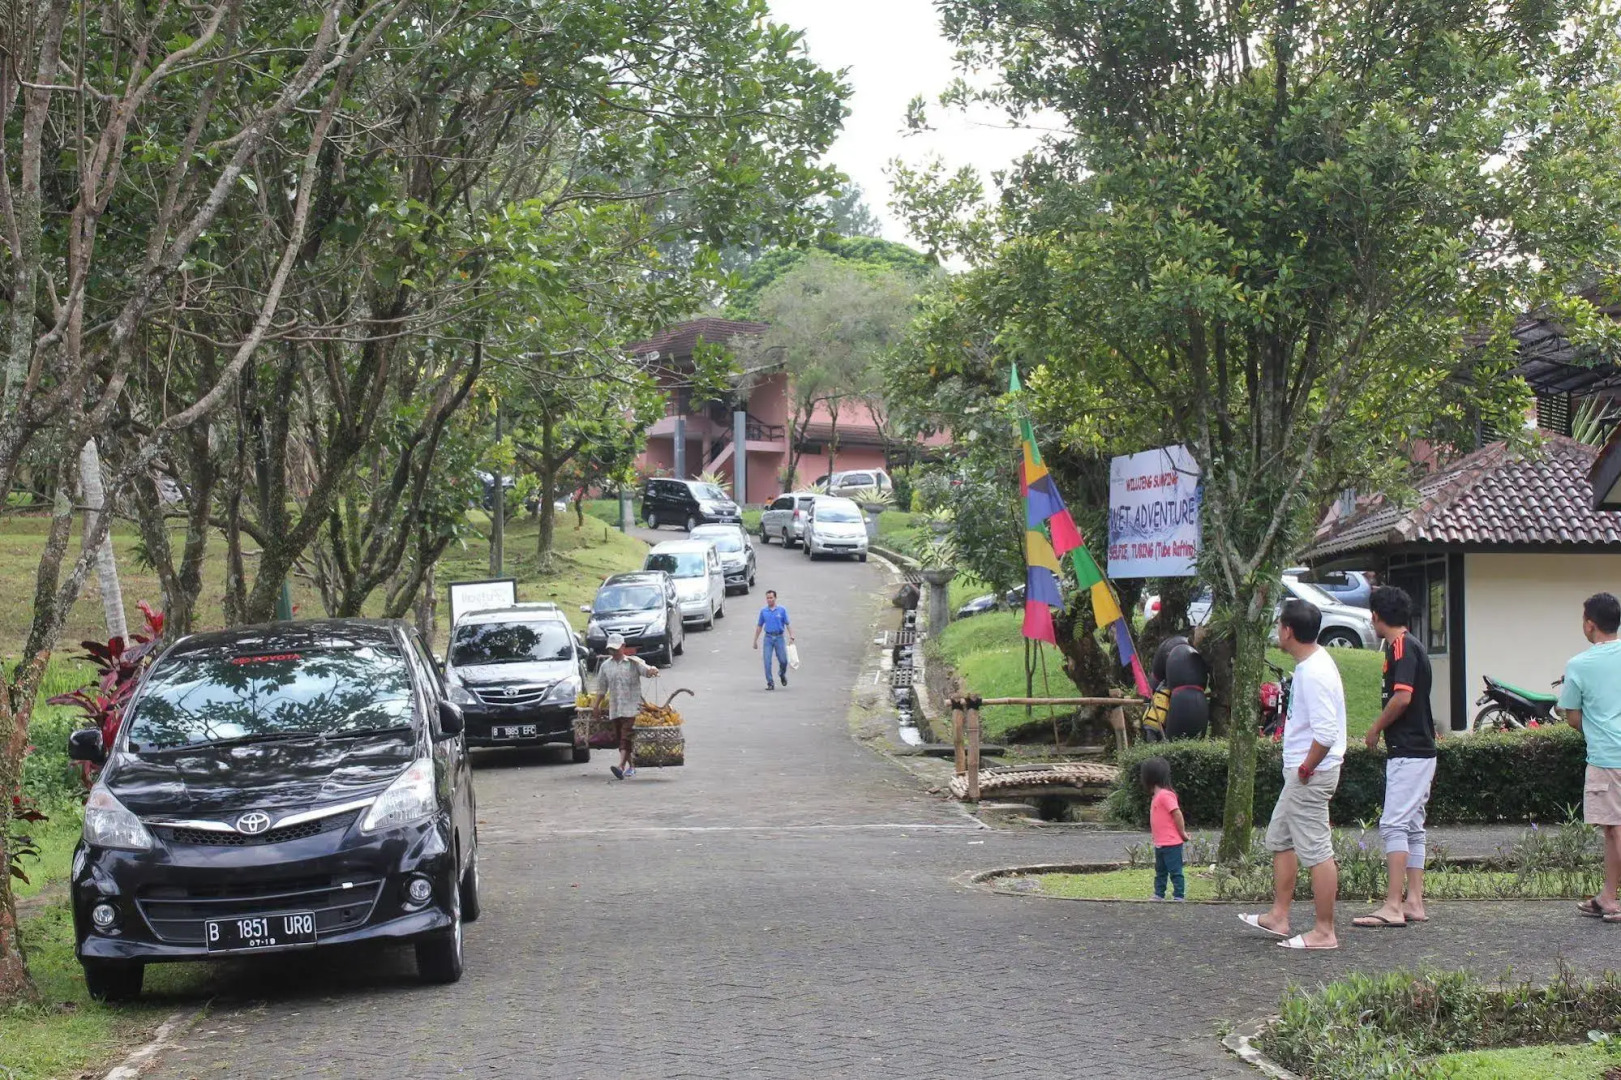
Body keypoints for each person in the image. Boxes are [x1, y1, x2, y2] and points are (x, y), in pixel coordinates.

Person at [1240, 597, 1347, 951]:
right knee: (1280, 838)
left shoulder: (1314, 673)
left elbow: (1326, 733)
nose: (1277, 631)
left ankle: (1324, 932)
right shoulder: (1310, 664)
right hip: (1302, 774)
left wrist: (1305, 767)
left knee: (1316, 850)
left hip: (1310, 775)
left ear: (1287, 631)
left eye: (1279, 625)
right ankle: (1278, 916)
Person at [1354, 586, 1437, 929]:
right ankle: (1413, 901)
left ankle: (1392, 905)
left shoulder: (1401, 646)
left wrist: (1375, 728)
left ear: (1376, 616)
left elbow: (1402, 697)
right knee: (1412, 826)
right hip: (1420, 750)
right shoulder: (1409, 644)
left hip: (1409, 751)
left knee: (1393, 825)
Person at [1561, 592, 1621, 921]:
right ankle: (1608, 897)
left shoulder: (1579, 664)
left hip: (1608, 756)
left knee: (1615, 829)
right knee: (1613, 830)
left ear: (1590, 624)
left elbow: (1572, 718)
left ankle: (1612, 899)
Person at [591, 633, 658, 780]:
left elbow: (646, 670)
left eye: (616, 649)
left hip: (632, 707)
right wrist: (596, 706)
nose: (613, 652)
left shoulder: (633, 662)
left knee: (625, 737)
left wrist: (652, 670)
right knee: (620, 738)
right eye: (611, 650)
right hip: (616, 708)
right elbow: (602, 688)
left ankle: (620, 766)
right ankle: (631, 766)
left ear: (623, 647)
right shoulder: (605, 666)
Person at [1143, 756, 1189, 901]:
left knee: (1175, 871)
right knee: (1160, 871)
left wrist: (1182, 833)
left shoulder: (1165, 795)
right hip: (1160, 843)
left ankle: (1179, 895)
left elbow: (1177, 813)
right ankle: (1159, 894)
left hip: (1172, 843)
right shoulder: (1156, 796)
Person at [752, 589, 795, 691]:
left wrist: (792, 635)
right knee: (767, 661)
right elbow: (759, 626)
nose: (769, 600)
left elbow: (787, 623)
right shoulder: (764, 611)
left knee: (783, 661)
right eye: (768, 598)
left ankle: (782, 674)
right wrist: (755, 640)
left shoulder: (782, 610)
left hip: (779, 637)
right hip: (768, 638)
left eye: (771, 598)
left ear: (775, 598)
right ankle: (770, 682)